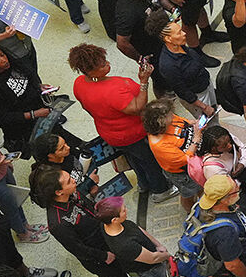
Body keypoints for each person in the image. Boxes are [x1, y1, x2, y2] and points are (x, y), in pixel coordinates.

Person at [67, 44, 169, 201]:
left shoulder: (79, 83)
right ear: (89, 71)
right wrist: (144, 81)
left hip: (110, 134)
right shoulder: (113, 90)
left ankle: (143, 184)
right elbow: (136, 107)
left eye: (105, 60)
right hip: (133, 134)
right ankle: (160, 190)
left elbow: (87, 108)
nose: (107, 64)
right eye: (102, 65)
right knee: (148, 161)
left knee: (134, 159)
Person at [96, 196, 192, 277]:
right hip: (148, 272)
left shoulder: (108, 225)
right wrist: (167, 256)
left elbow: (138, 230)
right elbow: (152, 258)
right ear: (114, 219)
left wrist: (158, 245)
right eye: (123, 210)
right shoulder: (124, 245)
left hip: (147, 265)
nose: (126, 210)